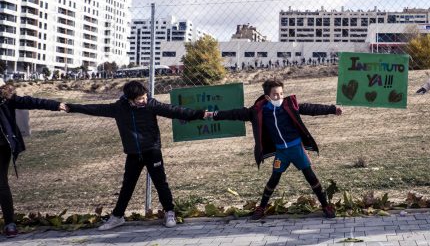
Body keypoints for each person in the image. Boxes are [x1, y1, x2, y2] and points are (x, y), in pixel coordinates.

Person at [63, 81, 211, 230]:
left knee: (161, 183)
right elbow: (94, 108)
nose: (144, 100)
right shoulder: (118, 108)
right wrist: (72, 107)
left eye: (145, 96)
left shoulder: (151, 104)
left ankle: (169, 212)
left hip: (152, 150)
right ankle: (117, 217)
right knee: (127, 186)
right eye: (140, 98)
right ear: (129, 99)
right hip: (133, 153)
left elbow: (173, 110)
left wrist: (199, 114)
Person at [209, 78, 342, 220]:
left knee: (310, 177)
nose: (279, 97)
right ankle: (261, 208)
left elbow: (311, 108)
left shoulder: (289, 105)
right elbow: (235, 114)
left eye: (281, 93)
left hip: (296, 149)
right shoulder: (259, 111)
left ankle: (325, 205)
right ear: (267, 97)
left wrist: (332, 109)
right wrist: (215, 115)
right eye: (275, 95)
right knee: (274, 179)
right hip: (281, 153)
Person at [0, 80, 64, 238]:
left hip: (1, 146)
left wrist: (56, 105)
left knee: (1, 184)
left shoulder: (7, 99)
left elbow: (32, 101)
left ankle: (9, 223)